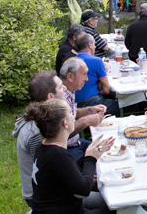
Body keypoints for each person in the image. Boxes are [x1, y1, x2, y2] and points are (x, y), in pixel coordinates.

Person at [15, 69, 107, 199]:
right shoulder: (37, 133)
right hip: (43, 197)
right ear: (50, 97)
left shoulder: (45, 118)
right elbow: (54, 171)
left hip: (56, 186)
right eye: (60, 86)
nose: (65, 88)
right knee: (106, 198)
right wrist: (88, 178)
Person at [74, 33, 114, 111]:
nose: (95, 47)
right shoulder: (97, 61)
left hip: (76, 103)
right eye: (94, 44)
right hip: (91, 102)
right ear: (90, 45)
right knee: (120, 105)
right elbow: (106, 90)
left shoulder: (72, 60)